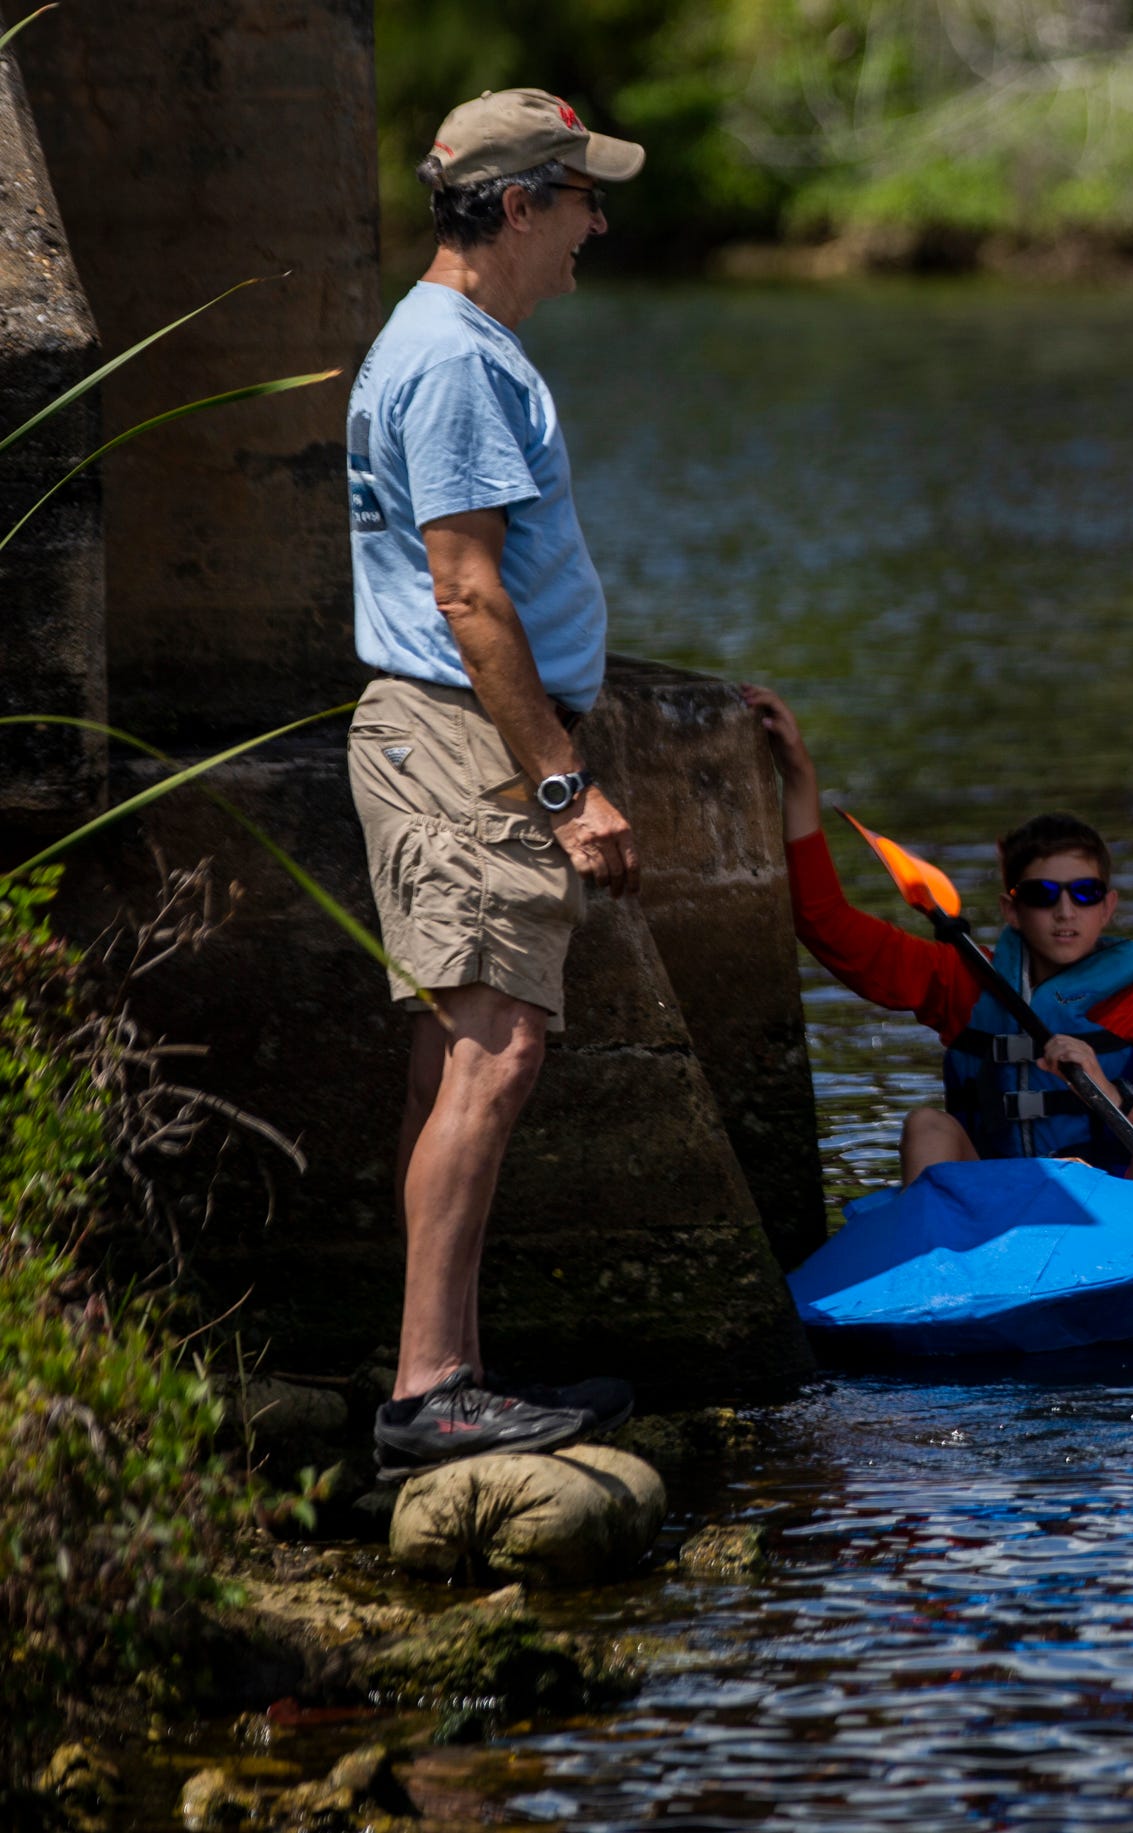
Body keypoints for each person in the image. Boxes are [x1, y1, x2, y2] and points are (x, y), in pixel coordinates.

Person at [346, 88, 645, 1477]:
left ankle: (444, 1371)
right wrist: (562, 789)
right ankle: (429, 1389)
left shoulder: (454, 344)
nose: (596, 220)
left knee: (454, 1052)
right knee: (499, 1050)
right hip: (463, 742)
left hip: (447, 734)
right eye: (581, 195)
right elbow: (466, 594)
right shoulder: (458, 360)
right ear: (517, 207)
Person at [744, 687, 1133, 1182]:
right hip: (994, 1203)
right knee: (926, 1125)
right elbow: (824, 922)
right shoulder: (964, 981)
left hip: (1119, 1203)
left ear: (1108, 907)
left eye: (1083, 892)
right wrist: (798, 774)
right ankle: (935, 1251)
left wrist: (1110, 1091)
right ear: (1011, 911)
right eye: (1041, 894)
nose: (1064, 911)